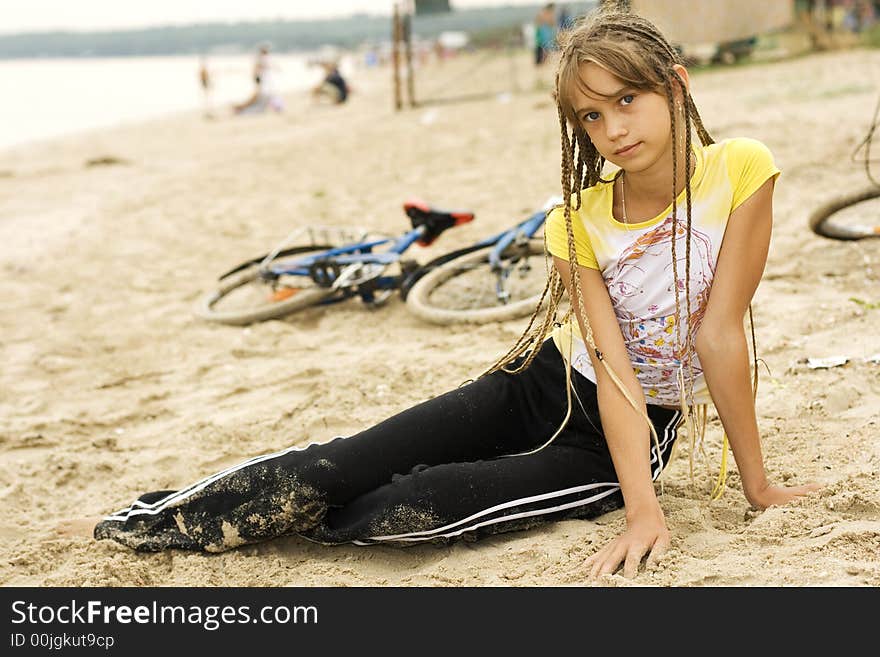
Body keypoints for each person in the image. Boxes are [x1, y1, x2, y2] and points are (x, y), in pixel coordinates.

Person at [87, 8, 821, 578]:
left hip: (613, 440)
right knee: (338, 464)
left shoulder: (741, 172)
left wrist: (736, 491)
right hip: (539, 383)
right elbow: (608, 358)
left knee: (404, 508)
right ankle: (147, 518)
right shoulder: (575, 222)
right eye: (591, 116)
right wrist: (644, 510)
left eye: (626, 99)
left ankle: (288, 523)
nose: (612, 128)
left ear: (677, 83)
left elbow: (719, 335)